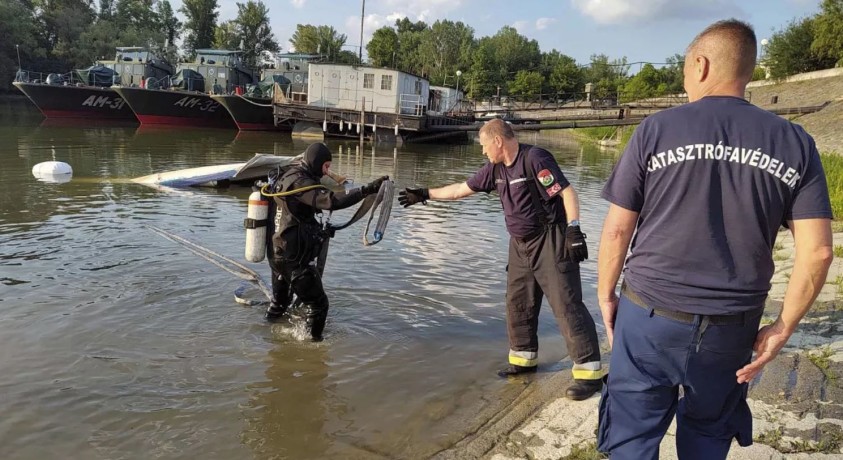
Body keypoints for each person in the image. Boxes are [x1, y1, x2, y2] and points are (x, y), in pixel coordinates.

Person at [596, 19, 834, 459]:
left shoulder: (656, 130)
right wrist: (784, 327)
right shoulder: (794, 142)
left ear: (701, 65)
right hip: (730, 328)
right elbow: (818, 251)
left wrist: (606, 294)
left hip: (649, 316)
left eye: (686, 70)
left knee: (630, 437)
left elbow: (616, 229)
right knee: (708, 434)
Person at [399, 119, 603, 400]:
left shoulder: (535, 159)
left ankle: (589, 372)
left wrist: (574, 228)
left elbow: (567, 192)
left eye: (484, 146)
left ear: (497, 141)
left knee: (565, 303)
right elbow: (460, 190)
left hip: (549, 240)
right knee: (518, 302)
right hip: (519, 245)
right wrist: (424, 194)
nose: (483, 152)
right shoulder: (494, 170)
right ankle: (523, 360)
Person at [264, 142, 388, 341]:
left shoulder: (286, 175)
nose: (327, 171)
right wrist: (366, 190)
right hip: (294, 260)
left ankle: (265, 336)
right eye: (326, 166)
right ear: (316, 162)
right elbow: (332, 201)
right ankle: (311, 350)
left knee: (280, 303)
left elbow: (295, 214)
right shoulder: (301, 183)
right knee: (319, 304)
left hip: (276, 255)